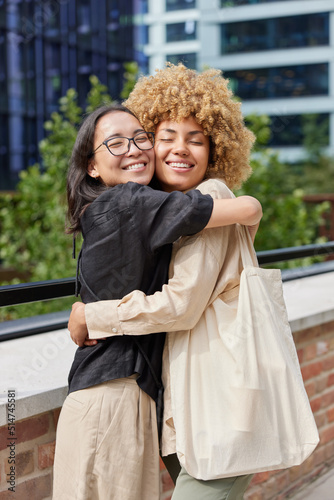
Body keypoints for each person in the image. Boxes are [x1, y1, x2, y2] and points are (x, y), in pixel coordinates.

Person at [67, 64, 261, 499]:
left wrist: (88, 316)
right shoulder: (158, 212)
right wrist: (250, 211)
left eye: (196, 139)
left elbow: (181, 305)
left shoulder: (205, 200)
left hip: (216, 406)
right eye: (165, 137)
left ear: (216, 150)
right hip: (182, 408)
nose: (179, 150)